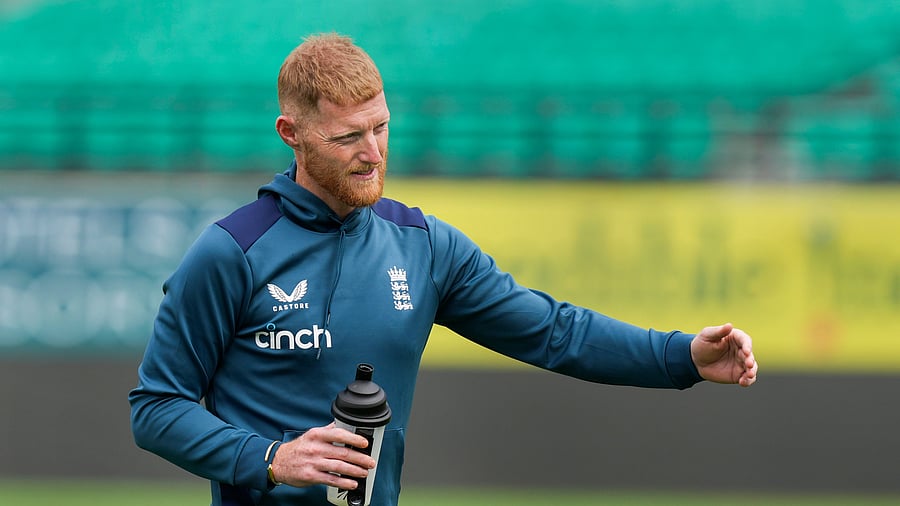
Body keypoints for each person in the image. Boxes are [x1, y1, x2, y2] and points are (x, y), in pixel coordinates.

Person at [129, 33, 758, 506]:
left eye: (381, 128)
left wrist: (681, 357)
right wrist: (270, 458)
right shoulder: (230, 252)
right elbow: (156, 408)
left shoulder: (425, 246)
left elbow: (554, 332)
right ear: (291, 133)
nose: (372, 153)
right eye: (347, 137)